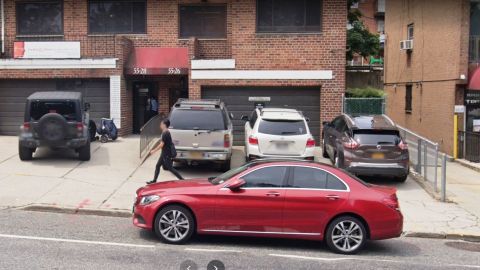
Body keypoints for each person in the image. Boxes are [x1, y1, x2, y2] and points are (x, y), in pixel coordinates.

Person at [146, 119, 183, 184]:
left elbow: (162, 144)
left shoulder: (165, 133)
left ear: (164, 125)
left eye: (161, 124)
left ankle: (182, 180)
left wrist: (154, 150)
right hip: (164, 153)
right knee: (158, 166)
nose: (160, 125)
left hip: (166, 154)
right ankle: (154, 180)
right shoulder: (165, 132)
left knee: (170, 168)